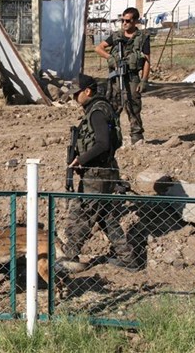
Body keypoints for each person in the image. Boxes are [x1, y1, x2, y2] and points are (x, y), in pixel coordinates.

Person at [58, 74, 139, 272]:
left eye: (76, 94)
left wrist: (81, 159)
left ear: (88, 91)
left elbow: (103, 143)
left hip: (98, 173)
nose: (74, 98)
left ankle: (68, 257)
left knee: (83, 214)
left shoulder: (97, 112)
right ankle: (127, 258)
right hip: (103, 170)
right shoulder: (99, 109)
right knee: (105, 216)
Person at [95, 7, 150, 145]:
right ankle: (112, 137)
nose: (124, 23)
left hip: (132, 78)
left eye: (128, 20)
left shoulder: (142, 38)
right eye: (122, 20)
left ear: (135, 21)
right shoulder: (116, 36)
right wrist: (110, 58)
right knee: (113, 107)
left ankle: (136, 136)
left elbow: (147, 61)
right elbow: (98, 48)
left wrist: (144, 80)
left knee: (133, 106)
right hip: (115, 78)